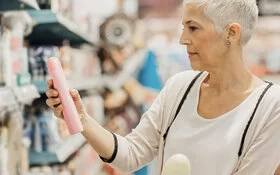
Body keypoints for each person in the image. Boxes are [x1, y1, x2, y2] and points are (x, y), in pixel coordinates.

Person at [46, 0, 280, 174]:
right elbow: (131, 154)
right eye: (183, 27)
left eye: (193, 28)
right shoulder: (180, 88)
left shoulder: (270, 106)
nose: (182, 39)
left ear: (231, 33)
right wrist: (82, 118)